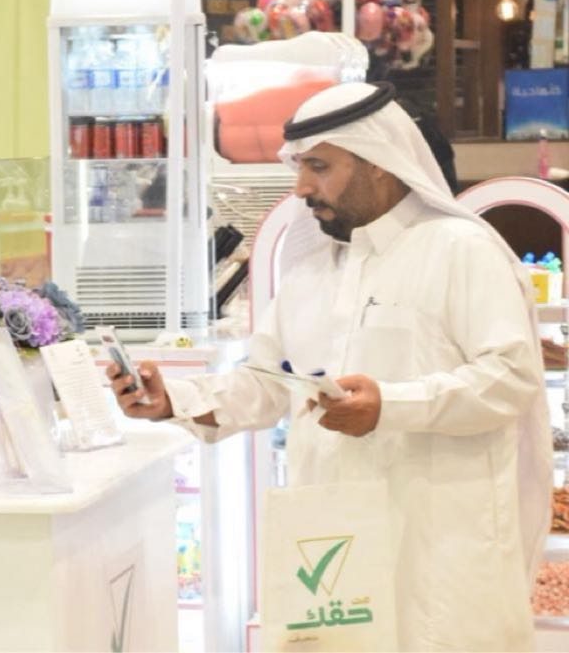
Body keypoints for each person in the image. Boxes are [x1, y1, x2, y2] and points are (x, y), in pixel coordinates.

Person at [110, 82, 551, 650]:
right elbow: (267, 382)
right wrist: (172, 400)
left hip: (440, 547)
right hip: (334, 553)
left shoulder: (459, 249)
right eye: (299, 167)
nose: (301, 188)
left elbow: (511, 377)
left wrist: (389, 406)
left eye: (319, 167)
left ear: (379, 162)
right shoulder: (313, 271)